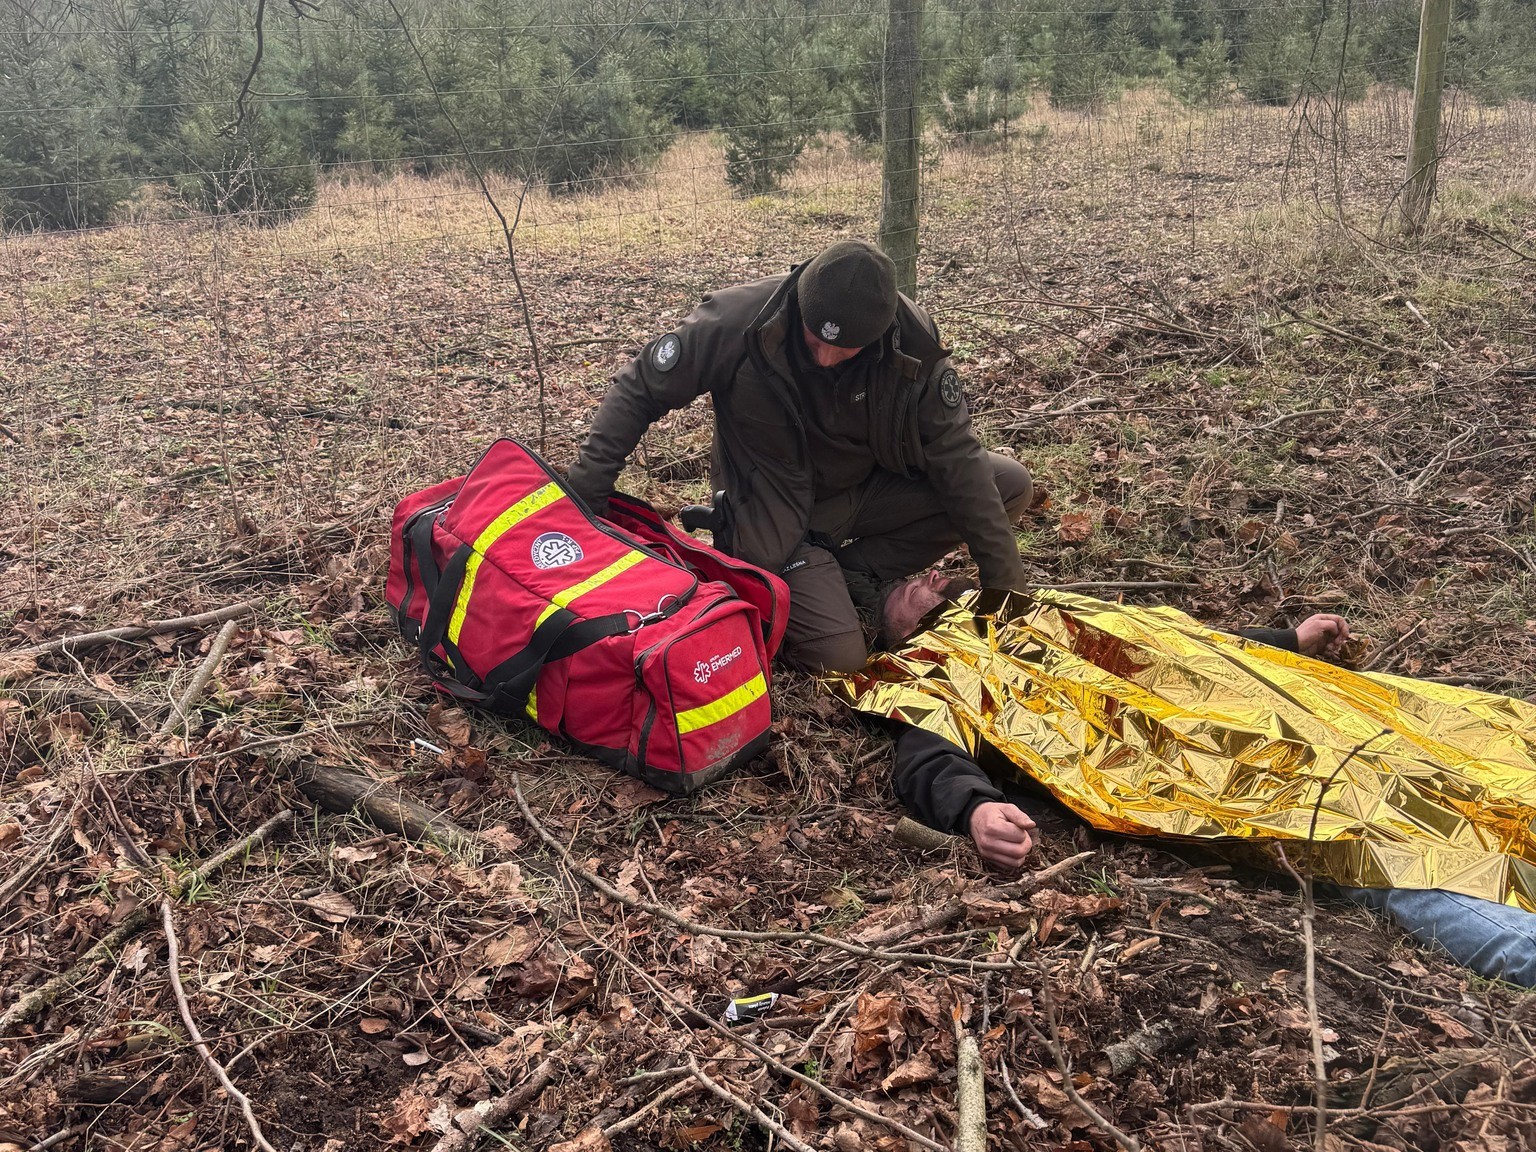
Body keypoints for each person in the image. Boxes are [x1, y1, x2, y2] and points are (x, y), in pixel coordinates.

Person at [565, 240, 1032, 675]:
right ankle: (815, 582)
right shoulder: (741, 320)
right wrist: (586, 495)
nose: (826, 359)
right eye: (814, 342)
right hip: (772, 518)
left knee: (1008, 483)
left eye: (845, 350)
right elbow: (639, 389)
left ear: (879, 334)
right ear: (799, 305)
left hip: (861, 494)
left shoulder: (911, 346)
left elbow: (959, 458)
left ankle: (856, 572)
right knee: (841, 658)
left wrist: (1007, 595)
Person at [878, 568, 1352, 870]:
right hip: (1180, 768)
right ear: (897, 631)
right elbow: (929, 753)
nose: (933, 575)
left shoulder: (1035, 608)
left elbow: (1167, 645)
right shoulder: (930, 667)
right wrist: (975, 810)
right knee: (1348, 828)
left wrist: (1286, 641)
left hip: (1265, 707)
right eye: (911, 584)